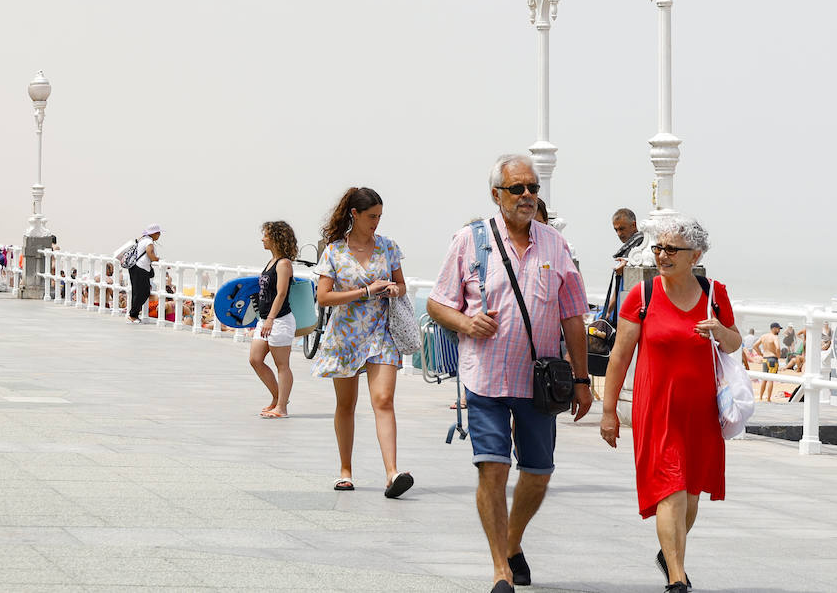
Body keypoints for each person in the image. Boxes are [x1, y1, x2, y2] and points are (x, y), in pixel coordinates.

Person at [426, 154, 591, 593]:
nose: (527, 196)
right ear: (496, 194)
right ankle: (501, 568)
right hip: (485, 377)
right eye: (517, 189)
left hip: (539, 382)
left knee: (538, 472)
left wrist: (582, 379)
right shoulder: (469, 240)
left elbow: (574, 312)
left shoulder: (555, 244)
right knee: (493, 469)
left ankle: (512, 542)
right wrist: (464, 323)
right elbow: (437, 302)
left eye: (533, 188)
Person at [599, 214, 740, 593]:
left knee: (690, 494)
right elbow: (619, 356)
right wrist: (608, 410)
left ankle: (668, 553)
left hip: (702, 412)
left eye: (670, 249)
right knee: (671, 489)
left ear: (695, 254)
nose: (661, 255)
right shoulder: (641, 295)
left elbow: (734, 343)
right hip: (657, 410)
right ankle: (677, 578)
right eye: (658, 248)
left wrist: (719, 330)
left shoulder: (714, 294)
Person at [312, 187, 413, 498]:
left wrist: (393, 290)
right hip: (346, 334)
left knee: (383, 400)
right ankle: (345, 470)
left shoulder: (389, 247)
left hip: (382, 332)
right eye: (371, 216)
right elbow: (324, 297)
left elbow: (402, 285)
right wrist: (366, 291)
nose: (376, 223)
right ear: (354, 214)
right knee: (346, 404)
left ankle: (392, 473)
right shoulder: (334, 251)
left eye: (380, 217)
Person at [250, 221, 298, 419]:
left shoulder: (284, 263)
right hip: (265, 319)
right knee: (255, 359)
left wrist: (270, 319)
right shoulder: (271, 261)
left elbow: (281, 294)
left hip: (279, 320)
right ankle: (279, 398)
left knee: (282, 365)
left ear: (276, 238)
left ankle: (281, 408)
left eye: (266, 235)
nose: (263, 238)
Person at [126, 225, 161, 323]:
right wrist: (157, 259)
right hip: (140, 269)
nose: (159, 235)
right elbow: (150, 254)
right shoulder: (149, 242)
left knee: (137, 292)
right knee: (143, 292)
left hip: (135, 268)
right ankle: (133, 315)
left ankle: (134, 314)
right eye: (158, 233)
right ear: (153, 233)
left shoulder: (142, 240)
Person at [755, 324, 782, 402]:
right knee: (770, 379)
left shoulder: (763, 336)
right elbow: (777, 347)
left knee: (764, 379)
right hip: (773, 359)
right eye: (778, 329)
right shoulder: (775, 337)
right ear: (773, 328)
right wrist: (778, 356)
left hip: (765, 359)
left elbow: (755, 346)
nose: (779, 331)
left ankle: (760, 397)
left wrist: (760, 354)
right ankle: (769, 399)